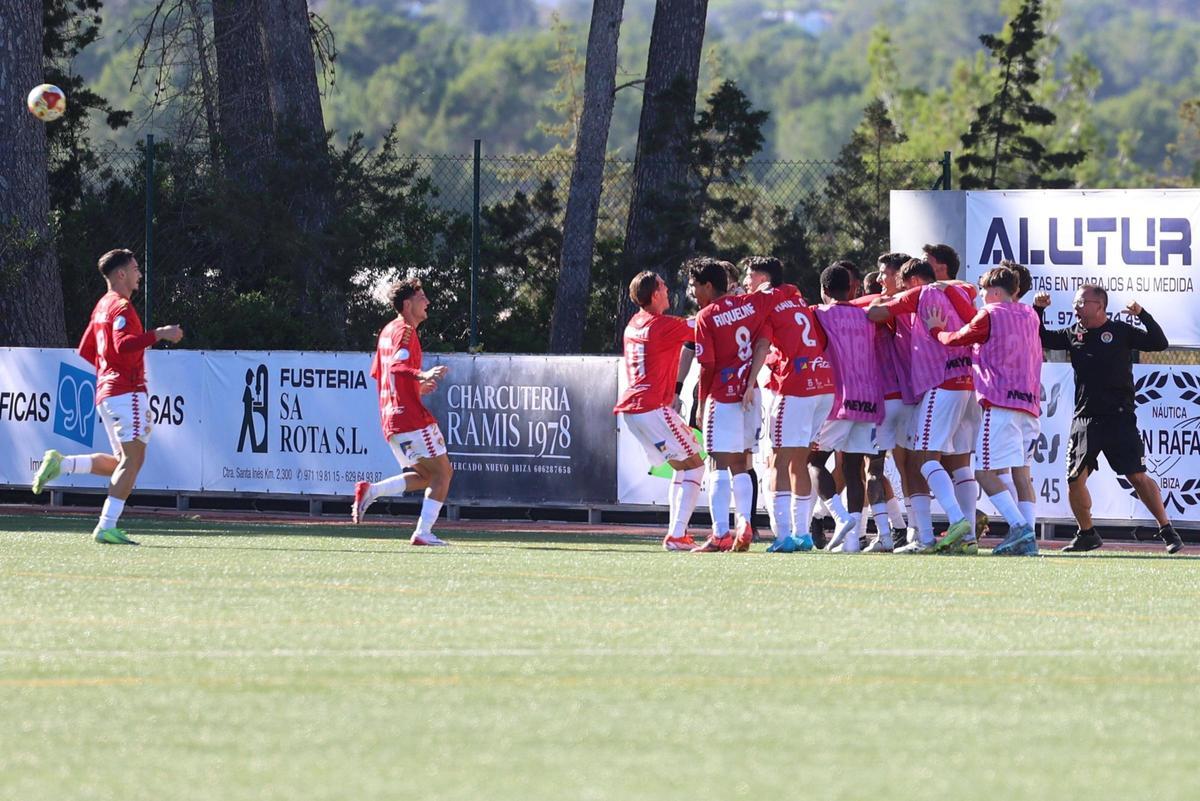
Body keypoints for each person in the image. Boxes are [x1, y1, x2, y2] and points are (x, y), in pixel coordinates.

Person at [31, 248, 184, 544]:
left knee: (121, 463)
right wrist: (159, 333)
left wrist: (110, 370)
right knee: (132, 462)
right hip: (126, 392)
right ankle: (106, 526)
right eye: (136, 269)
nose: (140, 274)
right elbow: (123, 345)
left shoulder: (102, 306)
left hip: (108, 393)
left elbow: (86, 349)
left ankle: (61, 463)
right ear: (121, 274)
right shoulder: (121, 307)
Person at [1034, 284, 1184, 554]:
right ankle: (1087, 534)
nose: (1076, 307)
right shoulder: (1073, 333)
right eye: (1075, 303)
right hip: (1085, 419)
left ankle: (1167, 529)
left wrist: (1142, 314)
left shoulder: (1121, 331)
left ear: (1100, 306)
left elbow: (1159, 342)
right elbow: (1040, 336)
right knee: (1074, 479)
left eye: (1081, 302)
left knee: (1137, 477)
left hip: (1119, 418)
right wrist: (1038, 310)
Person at [924, 266, 1041, 556]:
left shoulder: (990, 313)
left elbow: (958, 337)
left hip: (1000, 403)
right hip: (1029, 405)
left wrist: (936, 330)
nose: (982, 297)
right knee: (1022, 475)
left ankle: (1020, 528)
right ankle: (1029, 538)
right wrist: (952, 290)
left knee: (984, 472)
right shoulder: (1030, 314)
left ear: (995, 291)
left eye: (985, 291)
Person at [869, 258, 981, 554]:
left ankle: (949, 526)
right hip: (967, 383)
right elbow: (970, 293)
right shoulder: (959, 291)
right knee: (959, 463)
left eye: (901, 283)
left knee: (923, 460)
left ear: (914, 281)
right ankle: (968, 535)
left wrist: (882, 300)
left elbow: (875, 313)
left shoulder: (919, 293)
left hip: (936, 385)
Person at [353, 278, 454, 546]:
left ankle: (372, 490)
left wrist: (416, 388)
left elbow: (381, 374)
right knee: (443, 474)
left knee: (426, 476)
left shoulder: (387, 331)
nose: (428, 302)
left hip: (391, 420)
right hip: (409, 417)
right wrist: (422, 374)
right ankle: (423, 533)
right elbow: (397, 368)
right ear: (407, 305)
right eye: (422, 298)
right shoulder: (406, 331)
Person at [742, 256, 832, 552]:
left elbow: (761, 345)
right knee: (798, 460)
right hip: (823, 384)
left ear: (763, 280)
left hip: (796, 388)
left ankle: (782, 537)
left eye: (749, 276)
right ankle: (802, 534)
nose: (745, 282)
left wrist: (750, 383)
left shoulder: (766, 301)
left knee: (777, 461)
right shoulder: (795, 297)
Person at [615, 271, 705, 551]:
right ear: (655, 294)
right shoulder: (662, 326)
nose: (668, 291)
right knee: (696, 465)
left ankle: (677, 533)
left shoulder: (634, 323)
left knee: (682, 465)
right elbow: (701, 326)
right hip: (652, 407)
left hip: (634, 410)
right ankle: (676, 534)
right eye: (664, 287)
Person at [689, 257, 772, 552]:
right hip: (750, 395)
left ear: (708, 286)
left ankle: (720, 533)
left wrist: (701, 403)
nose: (692, 292)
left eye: (695, 285)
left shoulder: (706, 316)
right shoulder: (750, 304)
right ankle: (744, 521)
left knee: (718, 463)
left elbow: (707, 366)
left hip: (723, 396)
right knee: (741, 462)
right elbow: (764, 337)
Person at [814, 263, 885, 553]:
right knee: (854, 469)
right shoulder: (867, 315)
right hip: (869, 400)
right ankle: (853, 541)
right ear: (852, 289)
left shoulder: (819, 313)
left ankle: (838, 516)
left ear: (824, 290)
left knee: (813, 462)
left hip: (839, 401)